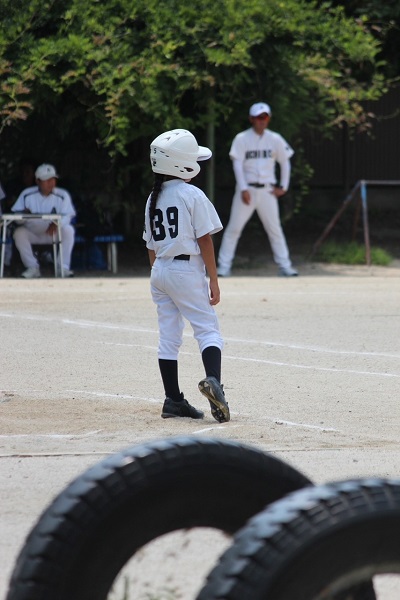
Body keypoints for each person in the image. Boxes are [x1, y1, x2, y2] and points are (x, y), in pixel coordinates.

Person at [143, 128, 230, 423]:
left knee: (168, 337)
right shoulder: (191, 194)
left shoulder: (153, 198)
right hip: (185, 268)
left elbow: (151, 246)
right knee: (207, 329)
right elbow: (205, 240)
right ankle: (214, 380)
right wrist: (213, 280)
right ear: (182, 165)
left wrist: (159, 275)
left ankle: (173, 400)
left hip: (159, 270)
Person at [217, 102, 298, 277]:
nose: (262, 120)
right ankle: (224, 266)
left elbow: (285, 161)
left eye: (265, 117)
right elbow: (237, 164)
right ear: (251, 119)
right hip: (247, 189)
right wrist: (243, 188)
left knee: (274, 229)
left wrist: (283, 186)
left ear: (269, 119)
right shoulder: (241, 138)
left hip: (267, 190)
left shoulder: (275, 139)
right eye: (258, 117)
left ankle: (285, 266)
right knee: (234, 228)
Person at [11, 163, 76, 278]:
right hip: (33, 233)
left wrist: (58, 224)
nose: (51, 183)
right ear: (38, 181)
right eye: (47, 180)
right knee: (19, 233)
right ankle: (32, 267)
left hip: (54, 234)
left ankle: (62, 267)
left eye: (53, 179)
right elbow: (16, 218)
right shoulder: (27, 194)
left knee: (69, 230)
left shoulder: (62, 195)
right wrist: (24, 215)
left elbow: (68, 215)